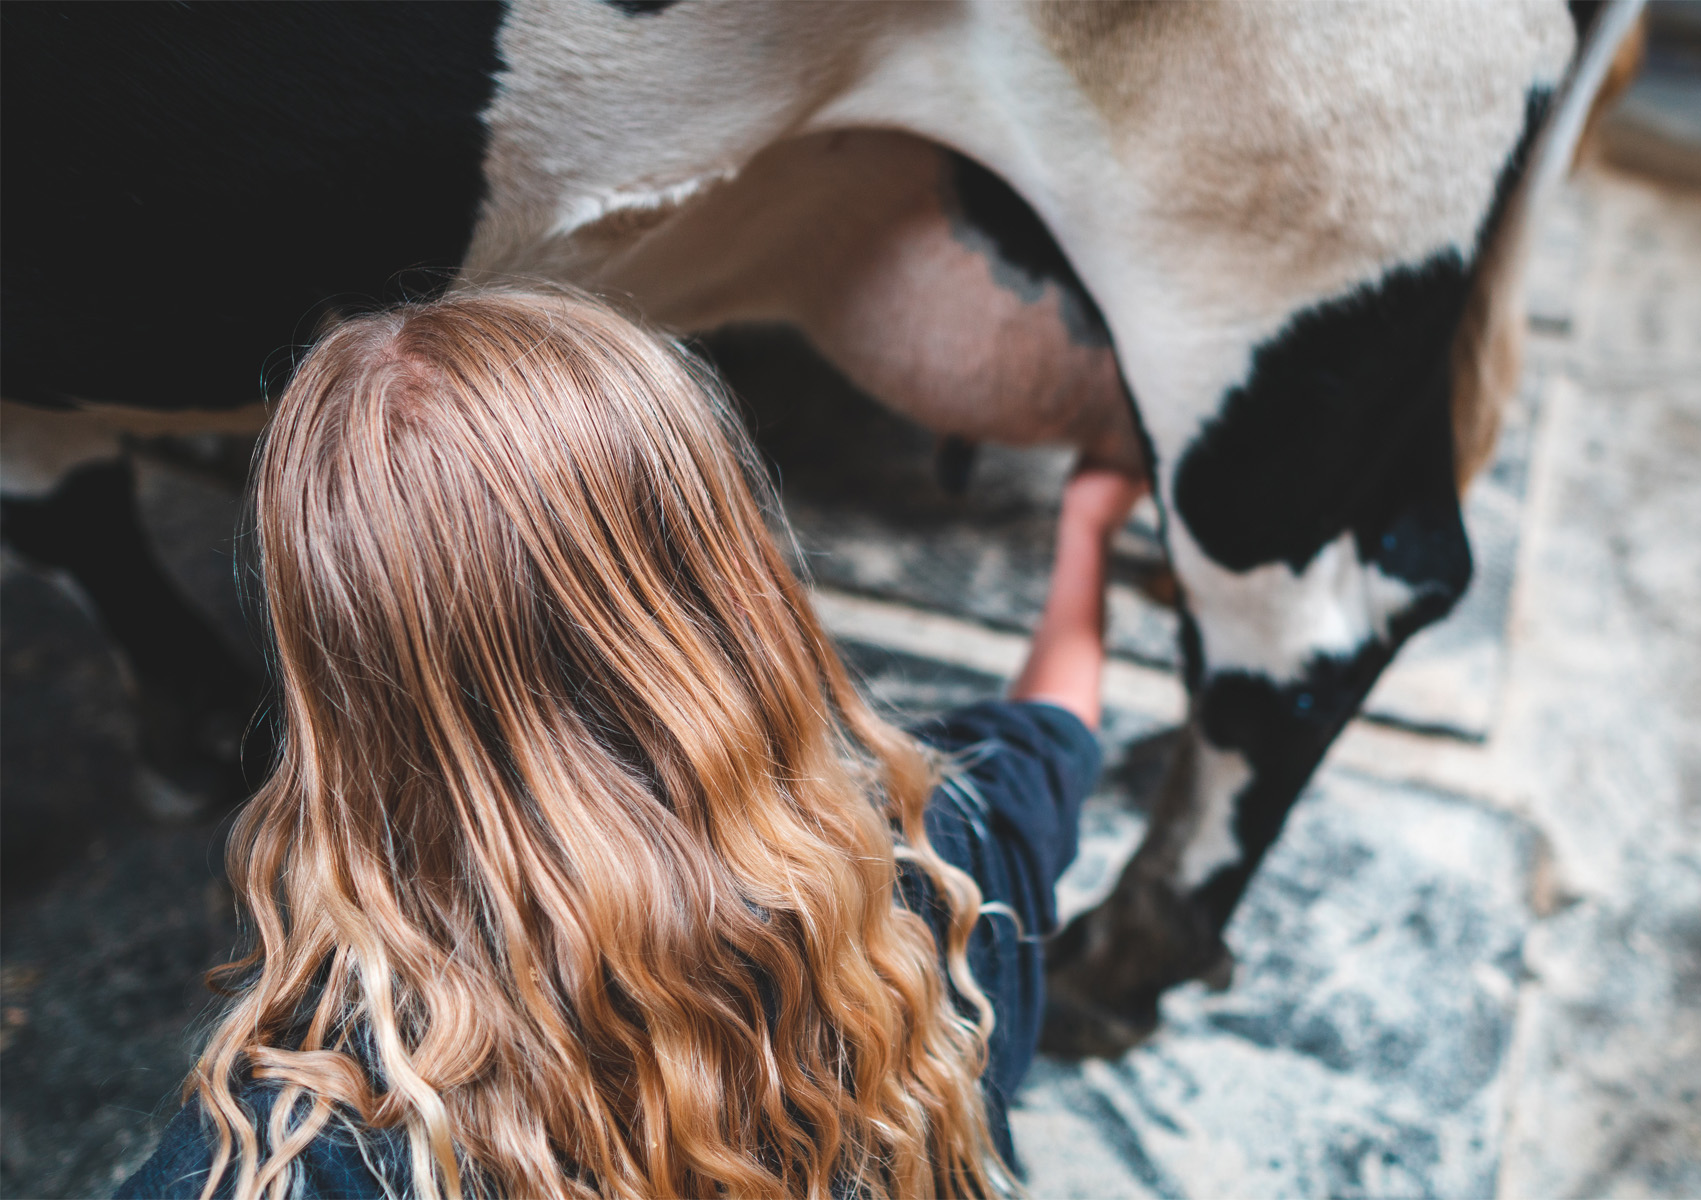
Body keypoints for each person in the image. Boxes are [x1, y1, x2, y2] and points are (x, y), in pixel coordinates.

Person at [115, 288, 1147, 1200]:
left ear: (332, 678)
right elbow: (1052, 731)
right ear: (729, 576)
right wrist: (1086, 533)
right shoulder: (937, 881)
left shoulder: (294, 1148)